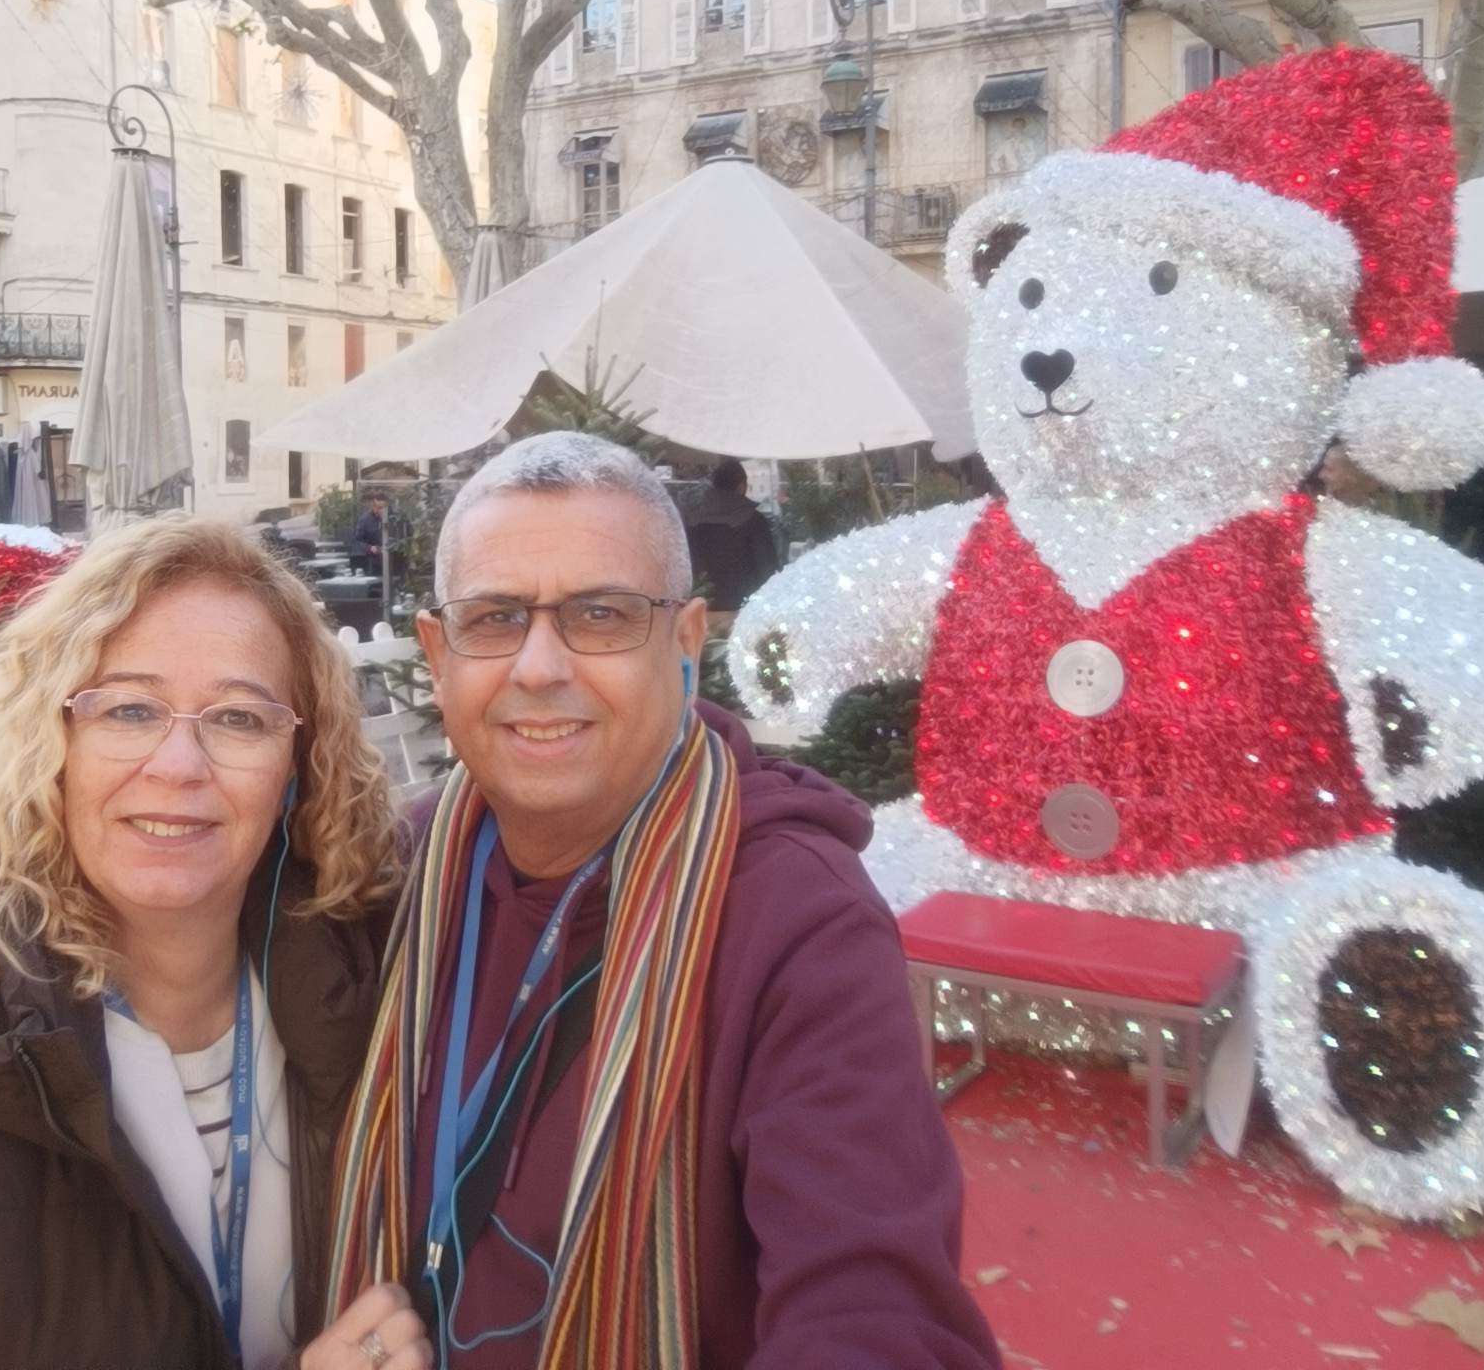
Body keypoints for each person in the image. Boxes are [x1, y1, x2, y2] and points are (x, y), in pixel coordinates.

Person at [327, 433, 1001, 1370]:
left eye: (601, 615)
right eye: (495, 618)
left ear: (684, 643)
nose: (538, 667)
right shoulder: (399, 873)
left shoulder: (795, 919)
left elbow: (876, 1313)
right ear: (439, 656)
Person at [0, 517, 432, 1370]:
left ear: (297, 767)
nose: (179, 764)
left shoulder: (384, 1002)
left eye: (239, 718)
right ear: (49, 744)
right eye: (128, 709)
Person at [680, 457, 778, 615]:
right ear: (742, 486)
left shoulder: (692, 521)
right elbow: (768, 569)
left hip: (701, 607)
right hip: (745, 610)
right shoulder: (754, 521)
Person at [350, 492, 392, 575]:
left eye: (381, 508)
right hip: (372, 562)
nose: (377, 510)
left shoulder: (394, 520)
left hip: (392, 562)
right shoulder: (364, 520)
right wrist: (370, 548)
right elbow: (357, 542)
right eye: (376, 507)